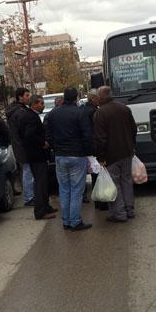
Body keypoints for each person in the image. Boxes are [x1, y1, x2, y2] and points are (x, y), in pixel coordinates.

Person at [46, 87, 93, 231]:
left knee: (64, 189)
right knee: (76, 190)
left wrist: (55, 148)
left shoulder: (53, 114)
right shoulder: (80, 112)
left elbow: (48, 135)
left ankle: (66, 221)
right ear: (76, 97)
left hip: (60, 156)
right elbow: (87, 135)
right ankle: (75, 221)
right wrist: (89, 152)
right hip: (77, 155)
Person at [94, 86, 137, 223]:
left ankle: (119, 213)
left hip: (111, 155)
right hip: (127, 152)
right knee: (127, 181)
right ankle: (129, 210)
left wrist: (101, 158)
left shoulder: (100, 114)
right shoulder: (124, 108)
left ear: (101, 97)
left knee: (114, 183)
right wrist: (132, 146)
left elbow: (101, 139)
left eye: (97, 96)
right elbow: (133, 129)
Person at [19, 94, 56, 220]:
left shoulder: (29, 115)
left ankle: (45, 206)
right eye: (41, 103)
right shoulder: (30, 117)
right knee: (40, 183)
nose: (43, 105)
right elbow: (29, 135)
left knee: (43, 182)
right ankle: (40, 211)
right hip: (36, 155)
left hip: (35, 155)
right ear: (34, 104)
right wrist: (42, 143)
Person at [6, 88, 35, 206]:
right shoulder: (20, 112)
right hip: (23, 147)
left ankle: (29, 196)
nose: (29, 97)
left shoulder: (16, 110)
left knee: (27, 172)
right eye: (27, 95)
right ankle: (29, 197)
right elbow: (24, 132)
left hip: (19, 146)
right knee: (28, 172)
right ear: (20, 97)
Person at [81, 89, 109, 210]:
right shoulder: (93, 112)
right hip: (94, 147)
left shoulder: (84, 110)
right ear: (93, 99)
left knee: (94, 174)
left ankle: (97, 200)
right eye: (98, 98)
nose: (100, 99)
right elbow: (96, 130)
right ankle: (101, 201)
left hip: (88, 148)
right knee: (97, 174)